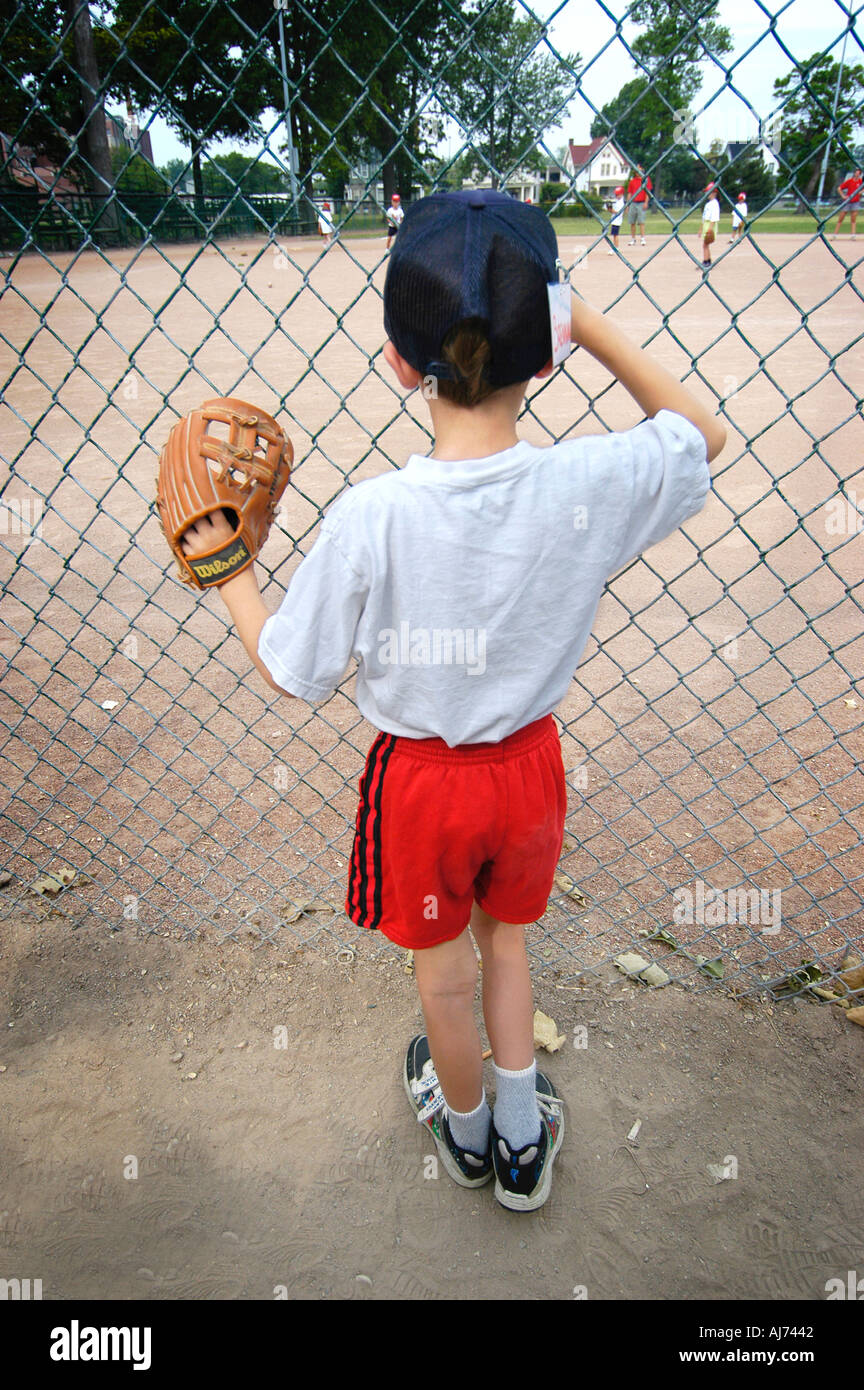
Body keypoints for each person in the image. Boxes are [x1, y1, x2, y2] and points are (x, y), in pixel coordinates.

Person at [178, 190, 726, 1212]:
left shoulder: (371, 516)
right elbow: (701, 432)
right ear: (548, 351)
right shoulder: (590, 482)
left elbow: (294, 669)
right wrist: (588, 317)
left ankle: (465, 1131)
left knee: (443, 976)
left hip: (423, 786)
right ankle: (523, 1142)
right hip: (527, 770)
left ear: (399, 361)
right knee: (507, 945)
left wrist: (230, 570)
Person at [626, 163, 652, 246]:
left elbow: (648, 192)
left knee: (641, 221)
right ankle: (633, 239)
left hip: (641, 202)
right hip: (633, 202)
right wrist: (628, 204)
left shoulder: (646, 179)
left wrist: (646, 202)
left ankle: (642, 238)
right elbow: (629, 193)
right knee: (632, 222)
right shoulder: (632, 181)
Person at [832, 169, 862, 239]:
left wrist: (861, 192)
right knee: (841, 218)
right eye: (856, 173)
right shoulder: (850, 181)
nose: (857, 174)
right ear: (854, 173)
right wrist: (843, 196)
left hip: (855, 202)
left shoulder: (860, 181)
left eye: (858, 173)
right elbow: (839, 188)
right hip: (848, 201)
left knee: (853, 219)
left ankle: (853, 234)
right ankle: (835, 234)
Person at [701, 182, 721, 270]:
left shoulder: (715, 203)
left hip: (710, 225)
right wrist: (701, 229)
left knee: (705, 245)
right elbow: (704, 217)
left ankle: (706, 262)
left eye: (708, 192)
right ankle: (708, 261)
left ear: (714, 193)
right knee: (706, 245)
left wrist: (710, 229)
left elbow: (714, 218)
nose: (707, 194)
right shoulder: (708, 204)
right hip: (706, 224)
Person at [607, 185, 625, 254]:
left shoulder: (621, 202)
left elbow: (617, 212)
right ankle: (615, 247)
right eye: (616, 194)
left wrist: (611, 210)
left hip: (617, 220)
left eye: (618, 194)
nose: (616, 195)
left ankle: (616, 247)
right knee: (614, 234)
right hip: (614, 220)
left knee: (615, 234)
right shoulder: (617, 200)